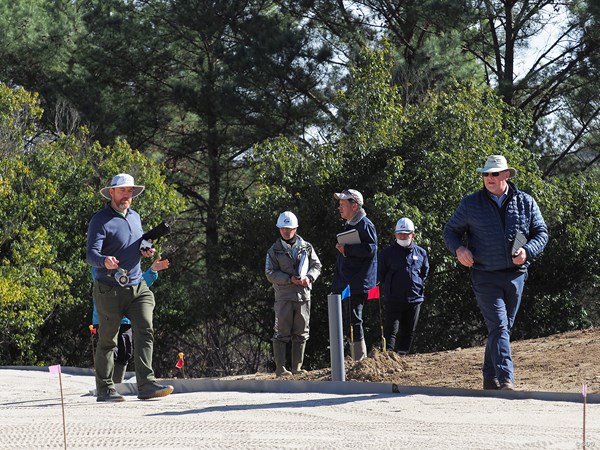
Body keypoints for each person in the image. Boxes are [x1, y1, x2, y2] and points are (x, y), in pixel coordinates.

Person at [443, 155, 548, 391]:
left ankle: (490, 378)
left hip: (516, 275)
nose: (489, 178)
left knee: (501, 328)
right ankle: (506, 379)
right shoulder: (470, 204)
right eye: (486, 174)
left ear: (506, 175)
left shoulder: (526, 202)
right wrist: (459, 249)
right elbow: (450, 231)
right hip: (485, 276)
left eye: (494, 174)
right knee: (500, 326)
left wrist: (528, 251)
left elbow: (541, 233)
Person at [87, 173, 174, 402]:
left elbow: (134, 247)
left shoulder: (135, 217)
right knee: (108, 340)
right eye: (123, 191)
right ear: (112, 192)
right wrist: (104, 260)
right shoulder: (100, 220)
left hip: (137, 285)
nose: (127, 195)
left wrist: (145, 251)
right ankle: (105, 389)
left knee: (145, 330)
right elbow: (91, 254)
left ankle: (146, 384)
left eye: (130, 192)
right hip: (109, 288)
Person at [91, 257, 169, 384]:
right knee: (110, 350)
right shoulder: (101, 263)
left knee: (125, 353)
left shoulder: (131, 266)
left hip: (125, 320)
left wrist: (153, 270)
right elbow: (112, 283)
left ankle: (117, 385)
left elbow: (138, 286)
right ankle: (105, 386)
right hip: (106, 316)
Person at [265, 211, 322, 377]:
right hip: (283, 296)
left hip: (303, 295)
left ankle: (297, 368)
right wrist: (290, 279)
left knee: (302, 331)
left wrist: (309, 278)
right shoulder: (273, 250)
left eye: (289, 228)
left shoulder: (307, 247)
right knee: (281, 332)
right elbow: (270, 273)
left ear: (295, 229)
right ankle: (280, 369)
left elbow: (316, 266)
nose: (285, 231)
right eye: (282, 228)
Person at [332, 189, 378, 361]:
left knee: (354, 319)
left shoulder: (365, 224)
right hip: (348, 281)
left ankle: (360, 360)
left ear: (355, 205)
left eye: (343, 204)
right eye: (339, 204)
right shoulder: (351, 224)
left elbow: (371, 249)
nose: (339, 207)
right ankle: (356, 358)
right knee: (350, 319)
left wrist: (347, 249)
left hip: (359, 282)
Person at [378, 217, 429, 355]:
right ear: (395, 235)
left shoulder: (421, 253)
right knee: (391, 329)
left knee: (409, 330)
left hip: (415, 298)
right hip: (393, 299)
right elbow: (381, 274)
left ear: (413, 235)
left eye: (406, 234)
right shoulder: (387, 253)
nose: (402, 236)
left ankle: (403, 354)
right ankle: (387, 356)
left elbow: (424, 273)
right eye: (400, 234)